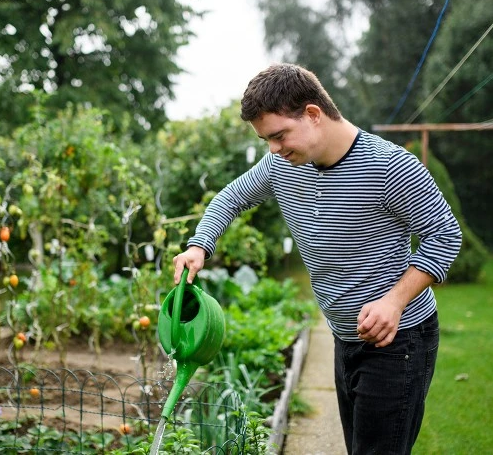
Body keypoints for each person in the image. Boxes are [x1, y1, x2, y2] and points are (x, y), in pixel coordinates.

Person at [172, 63, 462, 454]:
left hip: (399, 340)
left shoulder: (389, 166)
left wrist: (394, 301)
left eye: (278, 135)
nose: (273, 149)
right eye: (266, 140)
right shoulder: (281, 165)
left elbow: (444, 234)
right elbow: (231, 197)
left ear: (312, 114)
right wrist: (199, 245)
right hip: (345, 335)